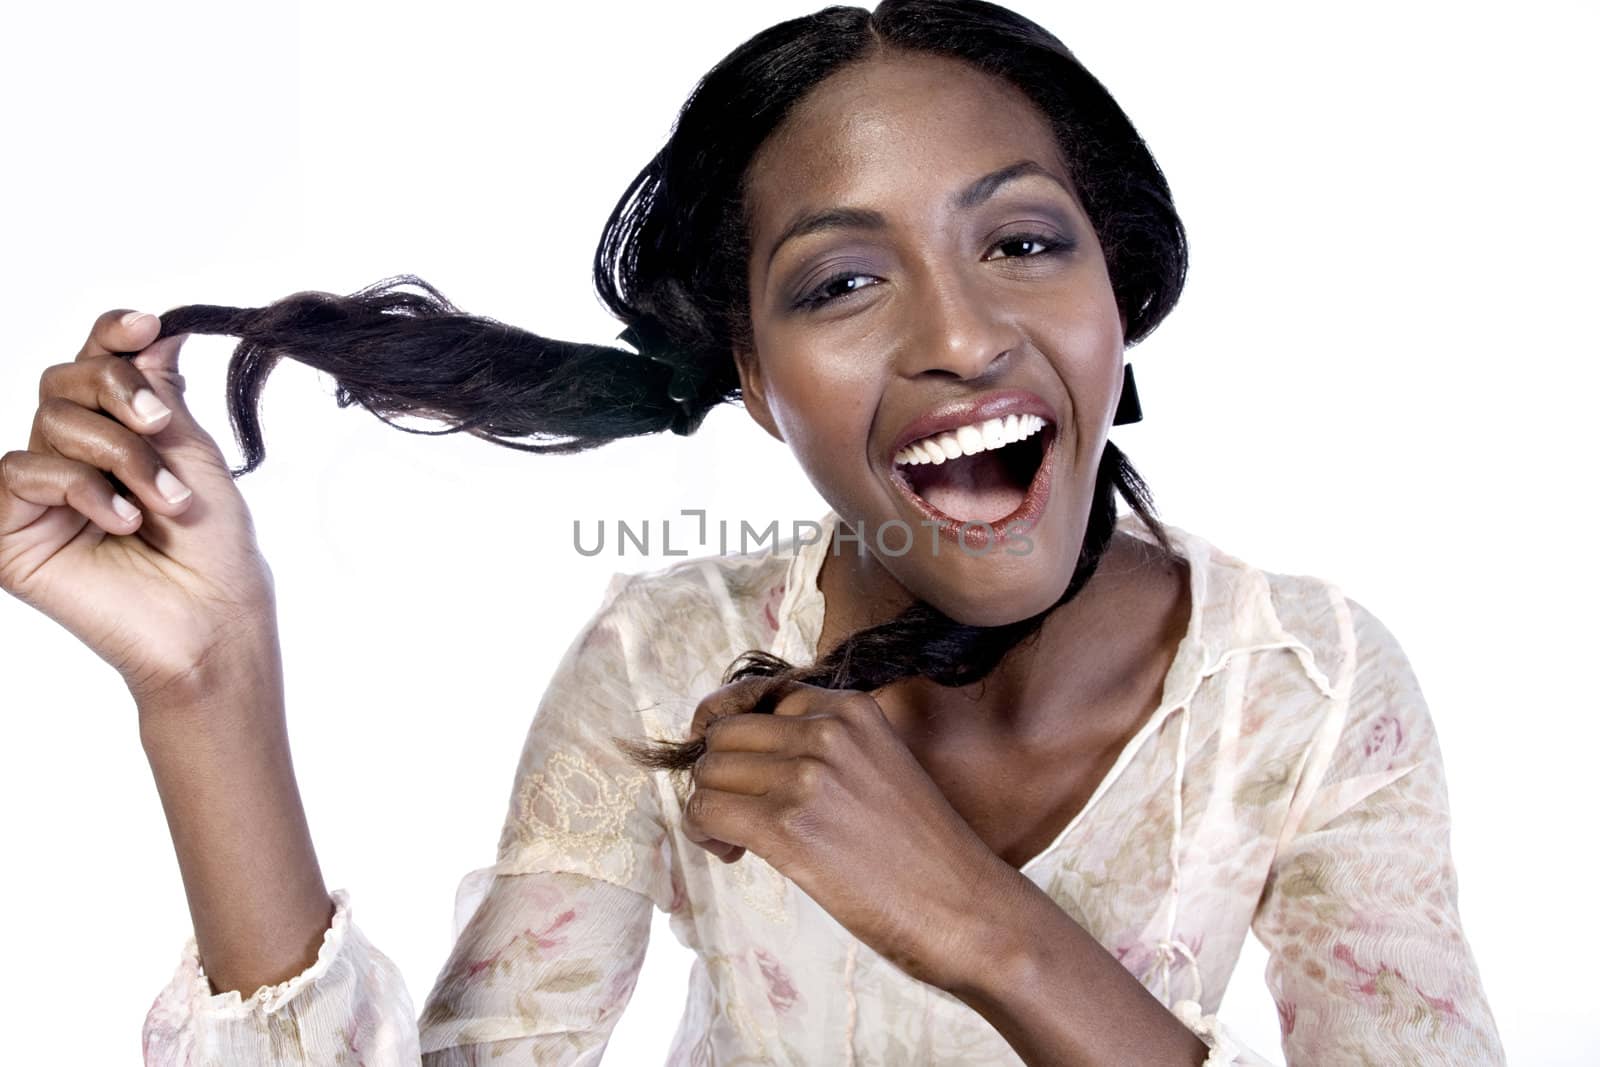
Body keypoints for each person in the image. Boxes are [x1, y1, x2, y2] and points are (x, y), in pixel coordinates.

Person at [0, 1, 1505, 1064]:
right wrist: (208, 689)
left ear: (1122, 291)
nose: (966, 335)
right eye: (843, 282)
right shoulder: (673, 664)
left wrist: (988, 928)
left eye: (1027, 244)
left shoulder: (1306, 690)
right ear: (756, 385)